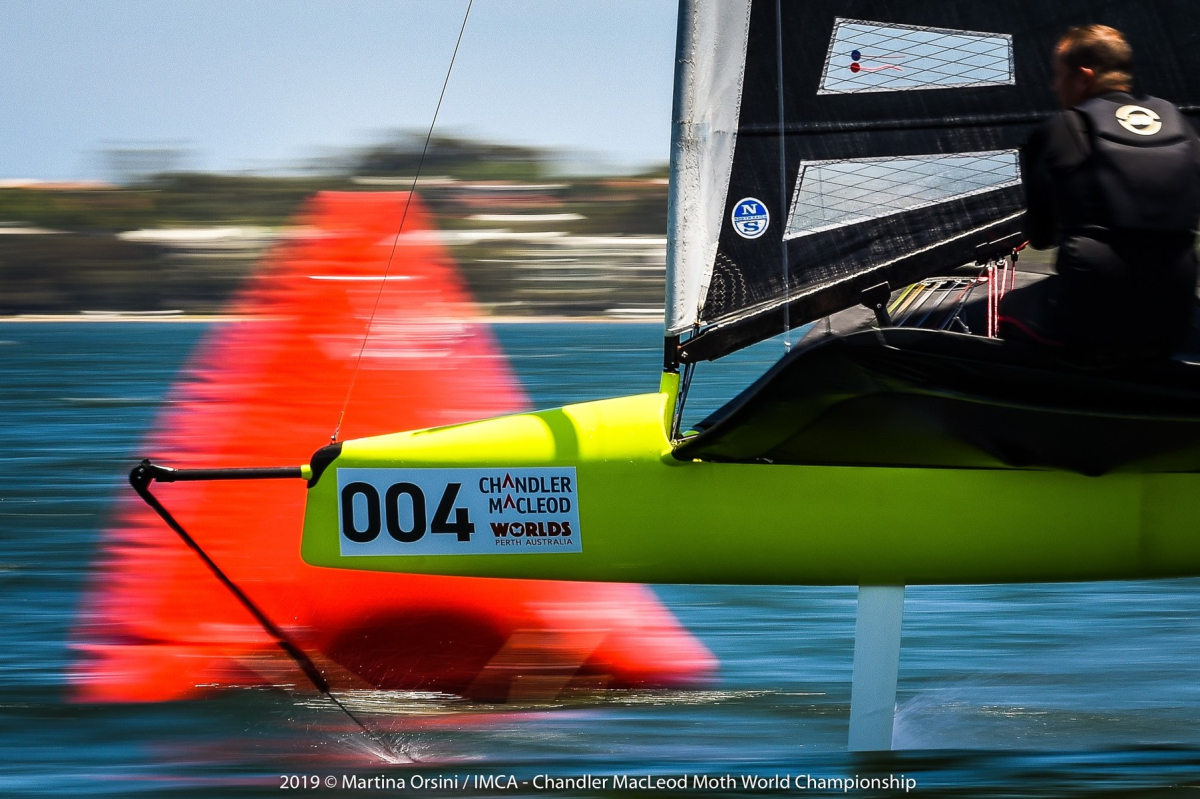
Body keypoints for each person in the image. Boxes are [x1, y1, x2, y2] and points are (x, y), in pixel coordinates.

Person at [999, 24, 1200, 361]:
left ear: (1084, 77)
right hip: (1172, 320)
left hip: (1085, 322)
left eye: (1058, 75)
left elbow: (1042, 237)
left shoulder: (1060, 128)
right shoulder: (1182, 125)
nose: (1054, 85)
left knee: (1009, 308)